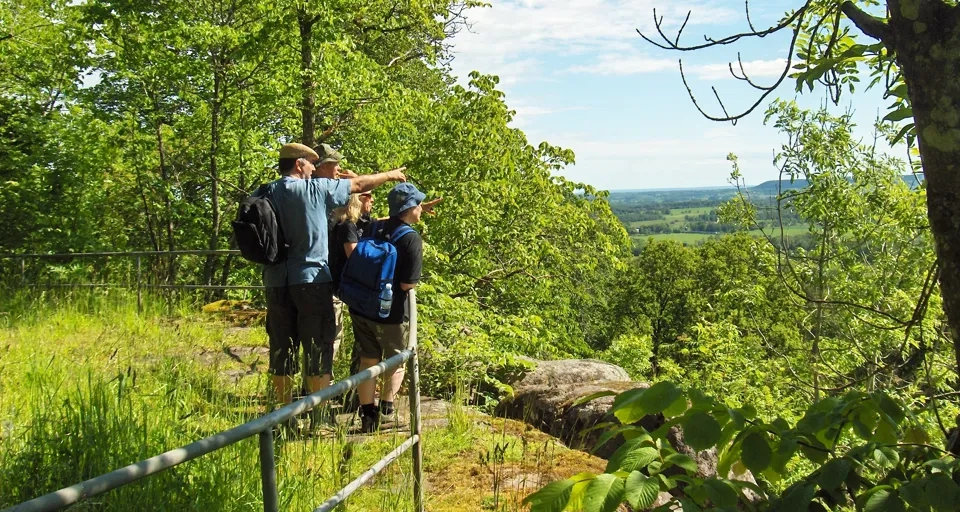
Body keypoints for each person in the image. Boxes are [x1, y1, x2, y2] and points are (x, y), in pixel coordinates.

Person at [261, 142, 406, 413]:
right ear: (298, 164)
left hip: (275, 281)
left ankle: (281, 417)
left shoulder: (266, 191)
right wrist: (390, 175)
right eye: (310, 163)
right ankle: (318, 416)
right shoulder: (315, 189)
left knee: (281, 350)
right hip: (312, 280)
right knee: (318, 348)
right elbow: (359, 185)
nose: (314, 168)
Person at [351, 183, 433, 433]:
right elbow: (408, 283)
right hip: (392, 312)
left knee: (368, 360)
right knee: (396, 360)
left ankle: (367, 414)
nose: (421, 208)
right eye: (418, 204)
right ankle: (386, 410)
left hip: (361, 306)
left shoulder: (373, 227)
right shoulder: (410, 238)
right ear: (409, 208)